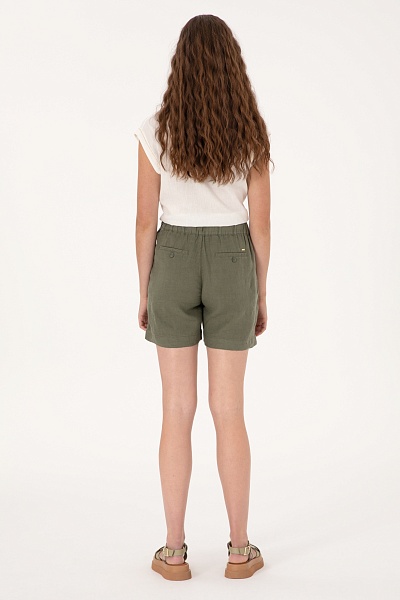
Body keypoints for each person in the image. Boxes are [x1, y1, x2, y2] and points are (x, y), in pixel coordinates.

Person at [134, 14, 272, 580]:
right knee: (229, 410)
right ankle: (239, 551)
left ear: (180, 65)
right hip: (233, 260)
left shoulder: (155, 129)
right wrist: (261, 292)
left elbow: (145, 223)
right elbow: (261, 225)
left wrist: (144, 290)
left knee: (176, 409)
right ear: (231, 66)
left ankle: (173, 553)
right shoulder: (250, 130)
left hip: (171, 260)